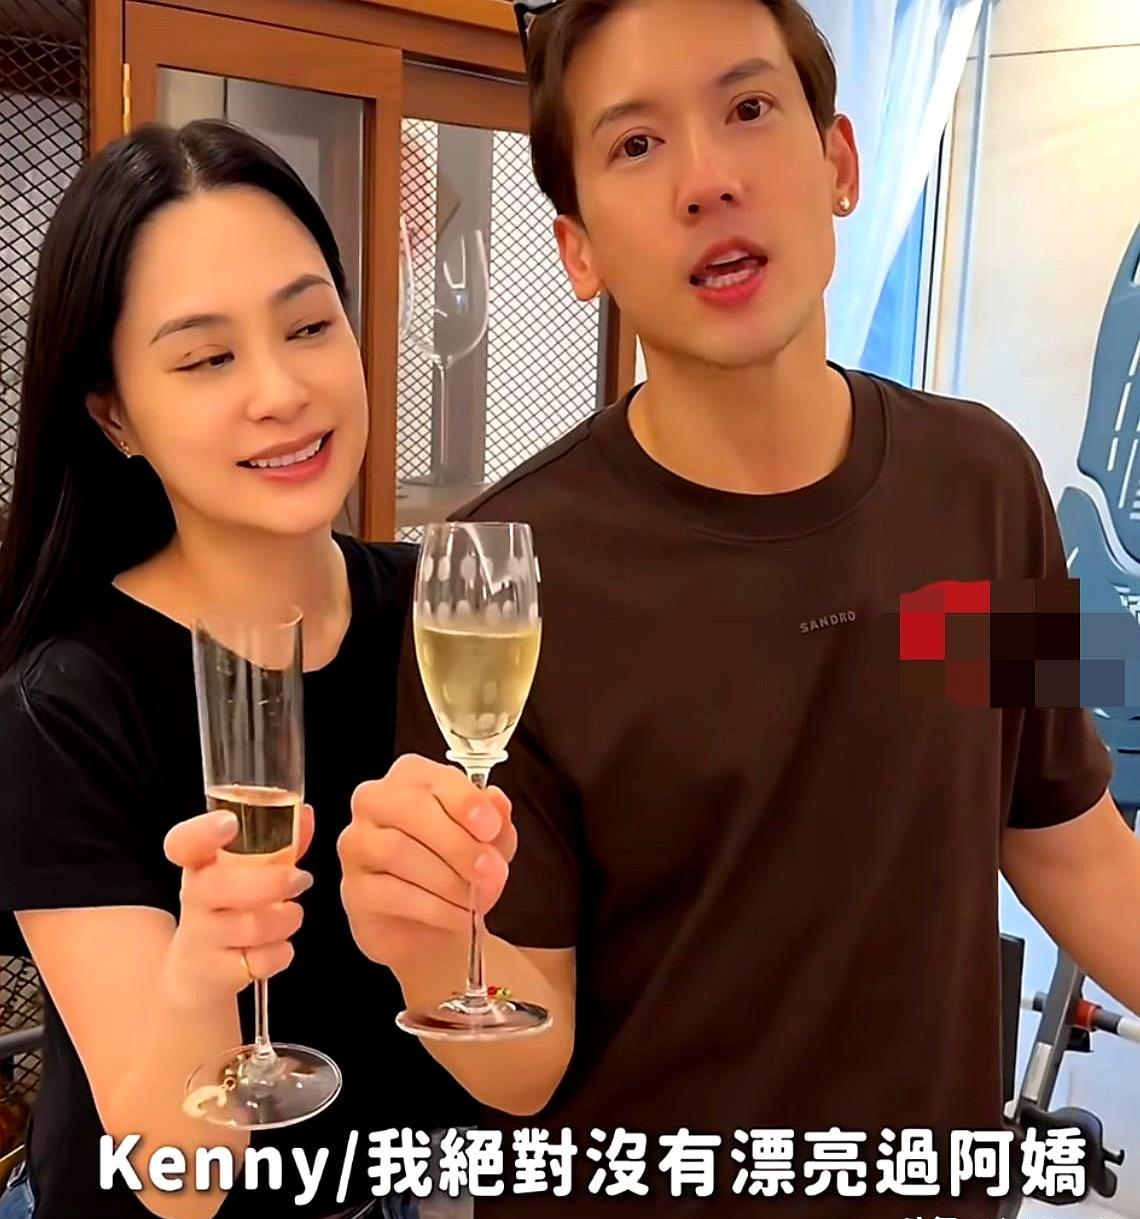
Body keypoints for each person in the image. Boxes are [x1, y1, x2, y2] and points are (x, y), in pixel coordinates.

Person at [337, 0, 1140, 1215]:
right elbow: (526, 1063)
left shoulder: (981, 485)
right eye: (636, 144)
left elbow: (1063, 835)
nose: (708, 179)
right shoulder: (509, 572)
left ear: (840, 162)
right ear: (578, 250)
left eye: (749, 107)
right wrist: (426, 947)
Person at [0, 120, 481, 1219]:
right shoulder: (64, 704)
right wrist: (204, 962)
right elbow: (176, 1182)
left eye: (309, 326)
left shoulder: (440, 621)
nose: (280, 390)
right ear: (115, 413)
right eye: (207, 358)